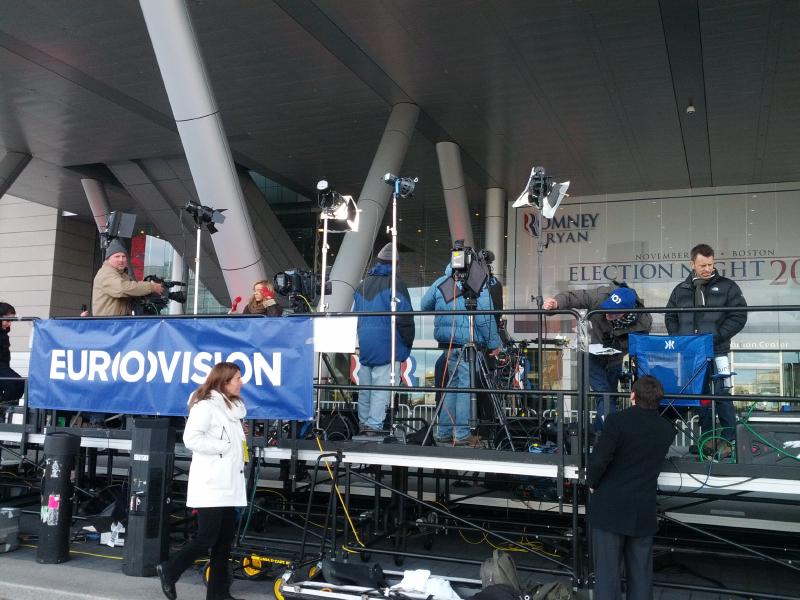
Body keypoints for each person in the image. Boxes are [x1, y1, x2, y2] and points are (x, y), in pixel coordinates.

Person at [157, 362, 248, 600]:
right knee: (207, 537)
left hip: (229, 483)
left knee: (224, 541)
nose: (242, 382)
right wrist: (223, 446)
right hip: (211, 484)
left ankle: (218, 594)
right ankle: (170, 569)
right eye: (238, 378)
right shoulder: (206, 406)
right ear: (224, 381)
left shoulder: (232, 409)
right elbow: (191, 439)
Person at [587, 375, 675, 600]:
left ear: (632, 396)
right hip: (642, 511)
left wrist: (592, 484)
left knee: (607, 577)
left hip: (610, 510)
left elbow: (598, 461)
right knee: (641, 577)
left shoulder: (617, 421)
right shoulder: (666, 430)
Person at [665, 243, 747, 457]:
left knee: (721, 395)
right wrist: (679, 340)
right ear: (692, 264)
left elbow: (739, 316)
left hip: (717, 349)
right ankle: (708, 440)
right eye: (702, 265)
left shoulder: (728, 286)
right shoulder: (680, 289)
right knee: (700, 397)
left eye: (710, 264)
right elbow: (670, 316)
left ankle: (729, 442)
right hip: (691, 354)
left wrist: (716, 336)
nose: (707, 269)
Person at [543, 283, 651, 432]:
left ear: (626, 312)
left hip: (615, 357)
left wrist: (617, 346)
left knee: (610, 397)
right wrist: (556, 303)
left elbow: (638, 347)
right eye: (606, 310)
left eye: (613, 313)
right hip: (591, 353)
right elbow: (573, 297)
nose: (607, 315)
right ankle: (613, 435)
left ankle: (598, 435)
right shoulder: (600, 296)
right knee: (604, 393)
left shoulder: (643, 321)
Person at [421, 260, 502, 446]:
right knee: (465, 389)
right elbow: (485, 318)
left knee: (451, 387)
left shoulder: (443, 281)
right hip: (469, 346)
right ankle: (462, 434)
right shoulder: (475, 283)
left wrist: (445, 310)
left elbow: (424, 304)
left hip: (449, 346)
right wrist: (495, 344)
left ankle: (444, 432)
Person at [352, 243, 415, 434]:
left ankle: (364, 424)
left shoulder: (362, 285)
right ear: (395, 264)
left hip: (366, 343)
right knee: (381, 389)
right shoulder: (395, 284)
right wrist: (407, 344)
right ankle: (374, 426)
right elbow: (405, 317)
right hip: (388, 344)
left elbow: (357, 316)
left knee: (366, 388)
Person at [91, 238, 164, 316]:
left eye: (123, 256)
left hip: (117, 324)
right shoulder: (106, 273)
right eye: (117, 256)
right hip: (109, 326)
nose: (121, 260)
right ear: (108, 258)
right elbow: (123, 288)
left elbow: (132, 290)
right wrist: (151, 287)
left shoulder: (122, 274)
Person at [0, 303, 25, 404]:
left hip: (4, 366)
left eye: (12, 321)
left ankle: (3, 404)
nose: (10, 324)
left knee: (19, 384)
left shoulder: (3, 334)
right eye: (8, 320)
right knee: (17, 383)